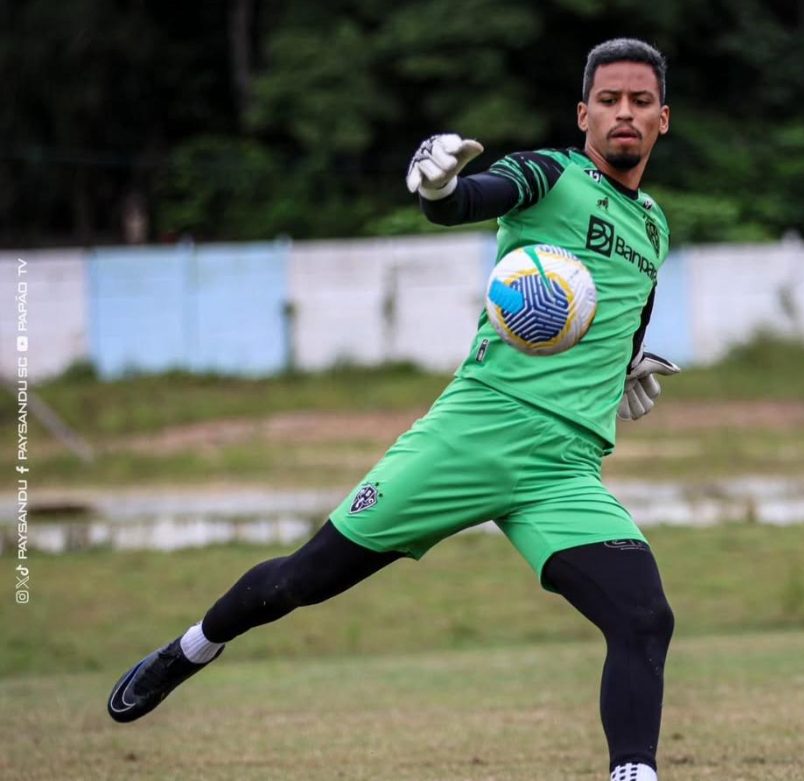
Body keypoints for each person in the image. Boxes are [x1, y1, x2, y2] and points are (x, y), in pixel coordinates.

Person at [107, 37, 680, 781]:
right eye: (609, 101)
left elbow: (628, 324)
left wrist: (624, 374)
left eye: (639, 102)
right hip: (474, 433)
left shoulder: (655, 229)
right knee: (302, 579)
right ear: (583, 114)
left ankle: (634, 774)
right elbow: (473, 200)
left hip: (564, 470)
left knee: (644, 618)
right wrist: (440, 189)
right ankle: (192, 647)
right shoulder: (549, 176)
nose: (623, 114)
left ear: (663, 119)